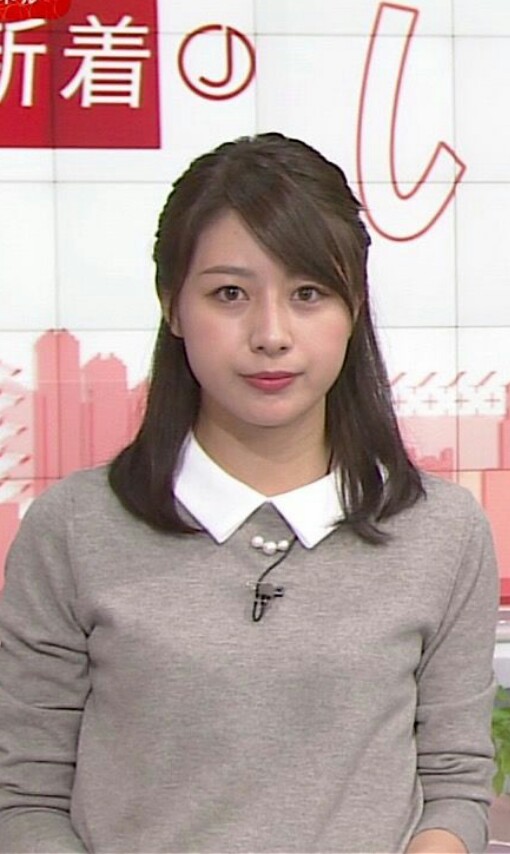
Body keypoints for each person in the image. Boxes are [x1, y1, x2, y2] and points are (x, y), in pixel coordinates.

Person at [0, 133, 499, 854]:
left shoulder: (442, 532)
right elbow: (27, 795)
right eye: (229, 294)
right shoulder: (74, 528)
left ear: (354, 307)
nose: (271, 334)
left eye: (308, 294)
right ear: (172, 306)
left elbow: (453, 782)